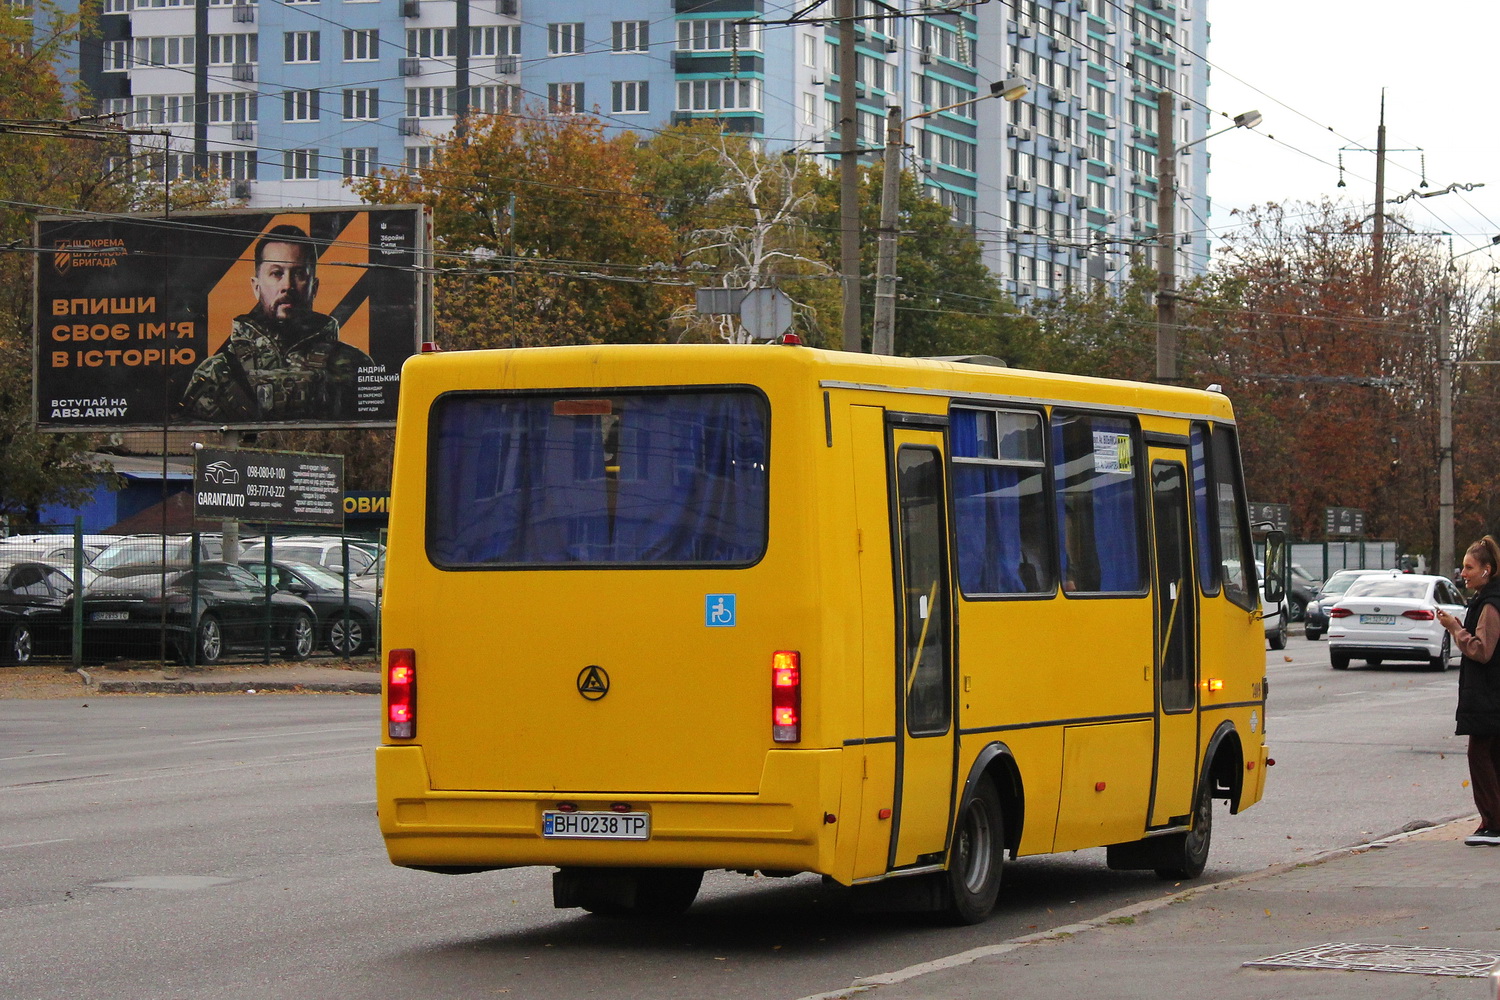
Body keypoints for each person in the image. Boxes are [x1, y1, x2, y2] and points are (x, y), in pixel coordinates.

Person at [180, 224, 373, 422]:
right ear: (256, 287)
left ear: (314, 288)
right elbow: (197, 441)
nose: (287, 286)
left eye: (299, 274)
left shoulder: (355, 364)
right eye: (276, 273)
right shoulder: (218, 372)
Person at [1436, 535, 1500, 847]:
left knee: (1479, 754)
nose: (1464, 573)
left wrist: (1454, 628)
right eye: (1463, 567)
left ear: (1488, 569)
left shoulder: (1490, 604)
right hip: (1490, 694)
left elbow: (1482, 650)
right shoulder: (1487, 600)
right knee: (1492, 755)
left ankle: (1492, 822)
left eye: (1469, 567)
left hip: (1489, 695)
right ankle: (1492, 821)